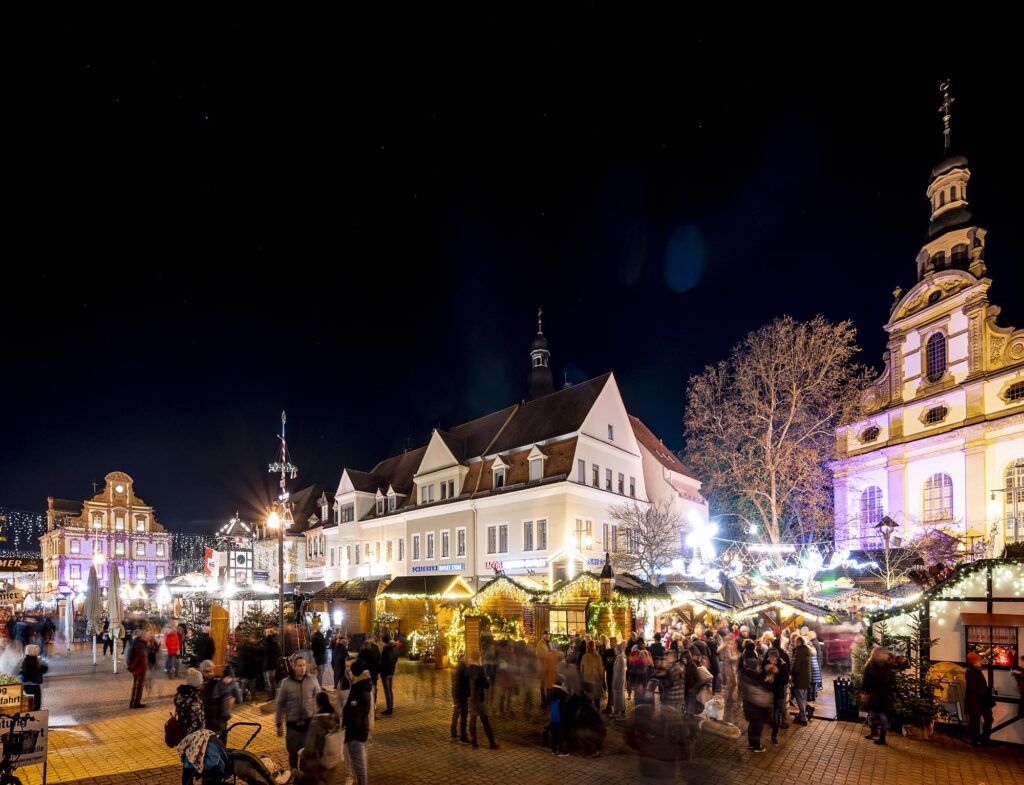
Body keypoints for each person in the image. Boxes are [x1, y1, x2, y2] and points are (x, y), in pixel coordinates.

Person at [276, 655, 321, 773]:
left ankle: (302, 770)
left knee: (306, 752)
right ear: (294, 667)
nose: (302, 668)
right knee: (292, 751)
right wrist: (279, 724)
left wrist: (319, 717)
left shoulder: (312, 680)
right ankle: (293, 770)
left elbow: (319, 698)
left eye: (304, 665)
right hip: (292, 726)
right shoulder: (286, 683)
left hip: (308, 724)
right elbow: (280, 704)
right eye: (299, 665)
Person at [297, 691, 341, 785]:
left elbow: (309, 749)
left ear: (318, 704)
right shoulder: (335, 717)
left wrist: (303, 756)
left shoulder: (316, 723)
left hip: (319, 762)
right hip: (333, 759)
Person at [342, 659, 372, 785]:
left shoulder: (358, 691)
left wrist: (350, 733)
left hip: (355, 735)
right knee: (360, 767)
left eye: (351, 670)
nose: (348, 672)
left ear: (355, 674)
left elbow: (355, 715)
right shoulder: (365, 687)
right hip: (360, 732)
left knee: (360, 770)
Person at [174, 669, 207, 785]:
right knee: (190, 764)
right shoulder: (194, 700)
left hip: (184, 733)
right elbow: (197, 721)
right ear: (197, 683)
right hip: (194, 737)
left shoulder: (181, 694)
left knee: (187, 764)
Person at [861, 646, 895, 745]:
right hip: (873, 695)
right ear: (877, 654)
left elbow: (891, 681)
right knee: (872, 715)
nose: (886, 655)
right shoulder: (870, 665)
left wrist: (891, 692)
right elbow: (866, 680)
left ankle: (882, 738)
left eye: (886, 654)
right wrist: (864, 692)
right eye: (884, 653)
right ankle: (873, 733)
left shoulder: (887, 666)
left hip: (883, 695)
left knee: (883, 717)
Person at [467, 653, 498, 749]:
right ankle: (492, 743)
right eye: (481, 658)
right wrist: (487, 679)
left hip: (471, 698)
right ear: (479, 659)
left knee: (473, 720)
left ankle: (474, 743)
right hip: (479, 699)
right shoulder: (480, 670)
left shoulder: (469, 670)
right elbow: (486, 685)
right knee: (485, 721)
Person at [965, 651, 994, 747]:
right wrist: (985, 691)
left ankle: (980, 739)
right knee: (976, 720)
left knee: (982, 719)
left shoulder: (974, 670)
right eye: (979, 660)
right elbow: (972, 686)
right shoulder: (972, 671)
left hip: (979, 700)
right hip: (976, 700)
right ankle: (978, 739)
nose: (981, 661)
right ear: (974, 661)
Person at [18, 644, 48, 710]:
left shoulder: (23, 661)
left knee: (26, 704)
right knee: (36, 703)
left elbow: (17, 671)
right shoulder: (38, 662)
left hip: (24, 686)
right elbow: (45, 669)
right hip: (35, 686)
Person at [790, 635, 812, 725]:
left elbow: (796, 666)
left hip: (800, 678)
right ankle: (804, 713)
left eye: (795, 641)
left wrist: (792, 673)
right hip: (806, 678)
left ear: (799, 642)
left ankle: (803, 718)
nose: (794, 643)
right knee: (803, 698)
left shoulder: (799, 652)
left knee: (800, 699)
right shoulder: (806, 650)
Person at [127, 629, 150, 709]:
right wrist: (134, 667)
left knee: (135, 685)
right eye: (147, 636)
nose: (148, 637)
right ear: (143, 636)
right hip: (140, 668)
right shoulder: (140, 644)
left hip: (135, 668)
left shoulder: (135, 642)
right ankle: (136, 703)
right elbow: (139, 657)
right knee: (139, 686)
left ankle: (132, 702)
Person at [450, 652, 470, 743]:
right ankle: (460, 735)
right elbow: (458, 683)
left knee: (457, 713)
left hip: (457, 694)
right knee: (460, 713)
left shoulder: (457, 666)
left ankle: (454, 733)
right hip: (460, 694)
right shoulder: (461, 668)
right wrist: (457, 697)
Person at [380, 634, 399, 715]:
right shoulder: (395, 648)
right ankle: (390, 706)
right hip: (391, 671)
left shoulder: (386, 649)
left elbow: (383, 662)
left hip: (385, 672)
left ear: (385, 642)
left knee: (387, 690)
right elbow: (395, 659)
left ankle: (389, 708)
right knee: (389, 689)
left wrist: (380, 669)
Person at [263, 630, 280, 700]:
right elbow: (278, 653)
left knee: (268, 681)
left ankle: (270, 696)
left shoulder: (266, 643)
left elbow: (264, 653)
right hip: (274, 664)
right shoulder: (275, 642)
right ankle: (275, 695)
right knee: (273, 681)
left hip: (267, 665)